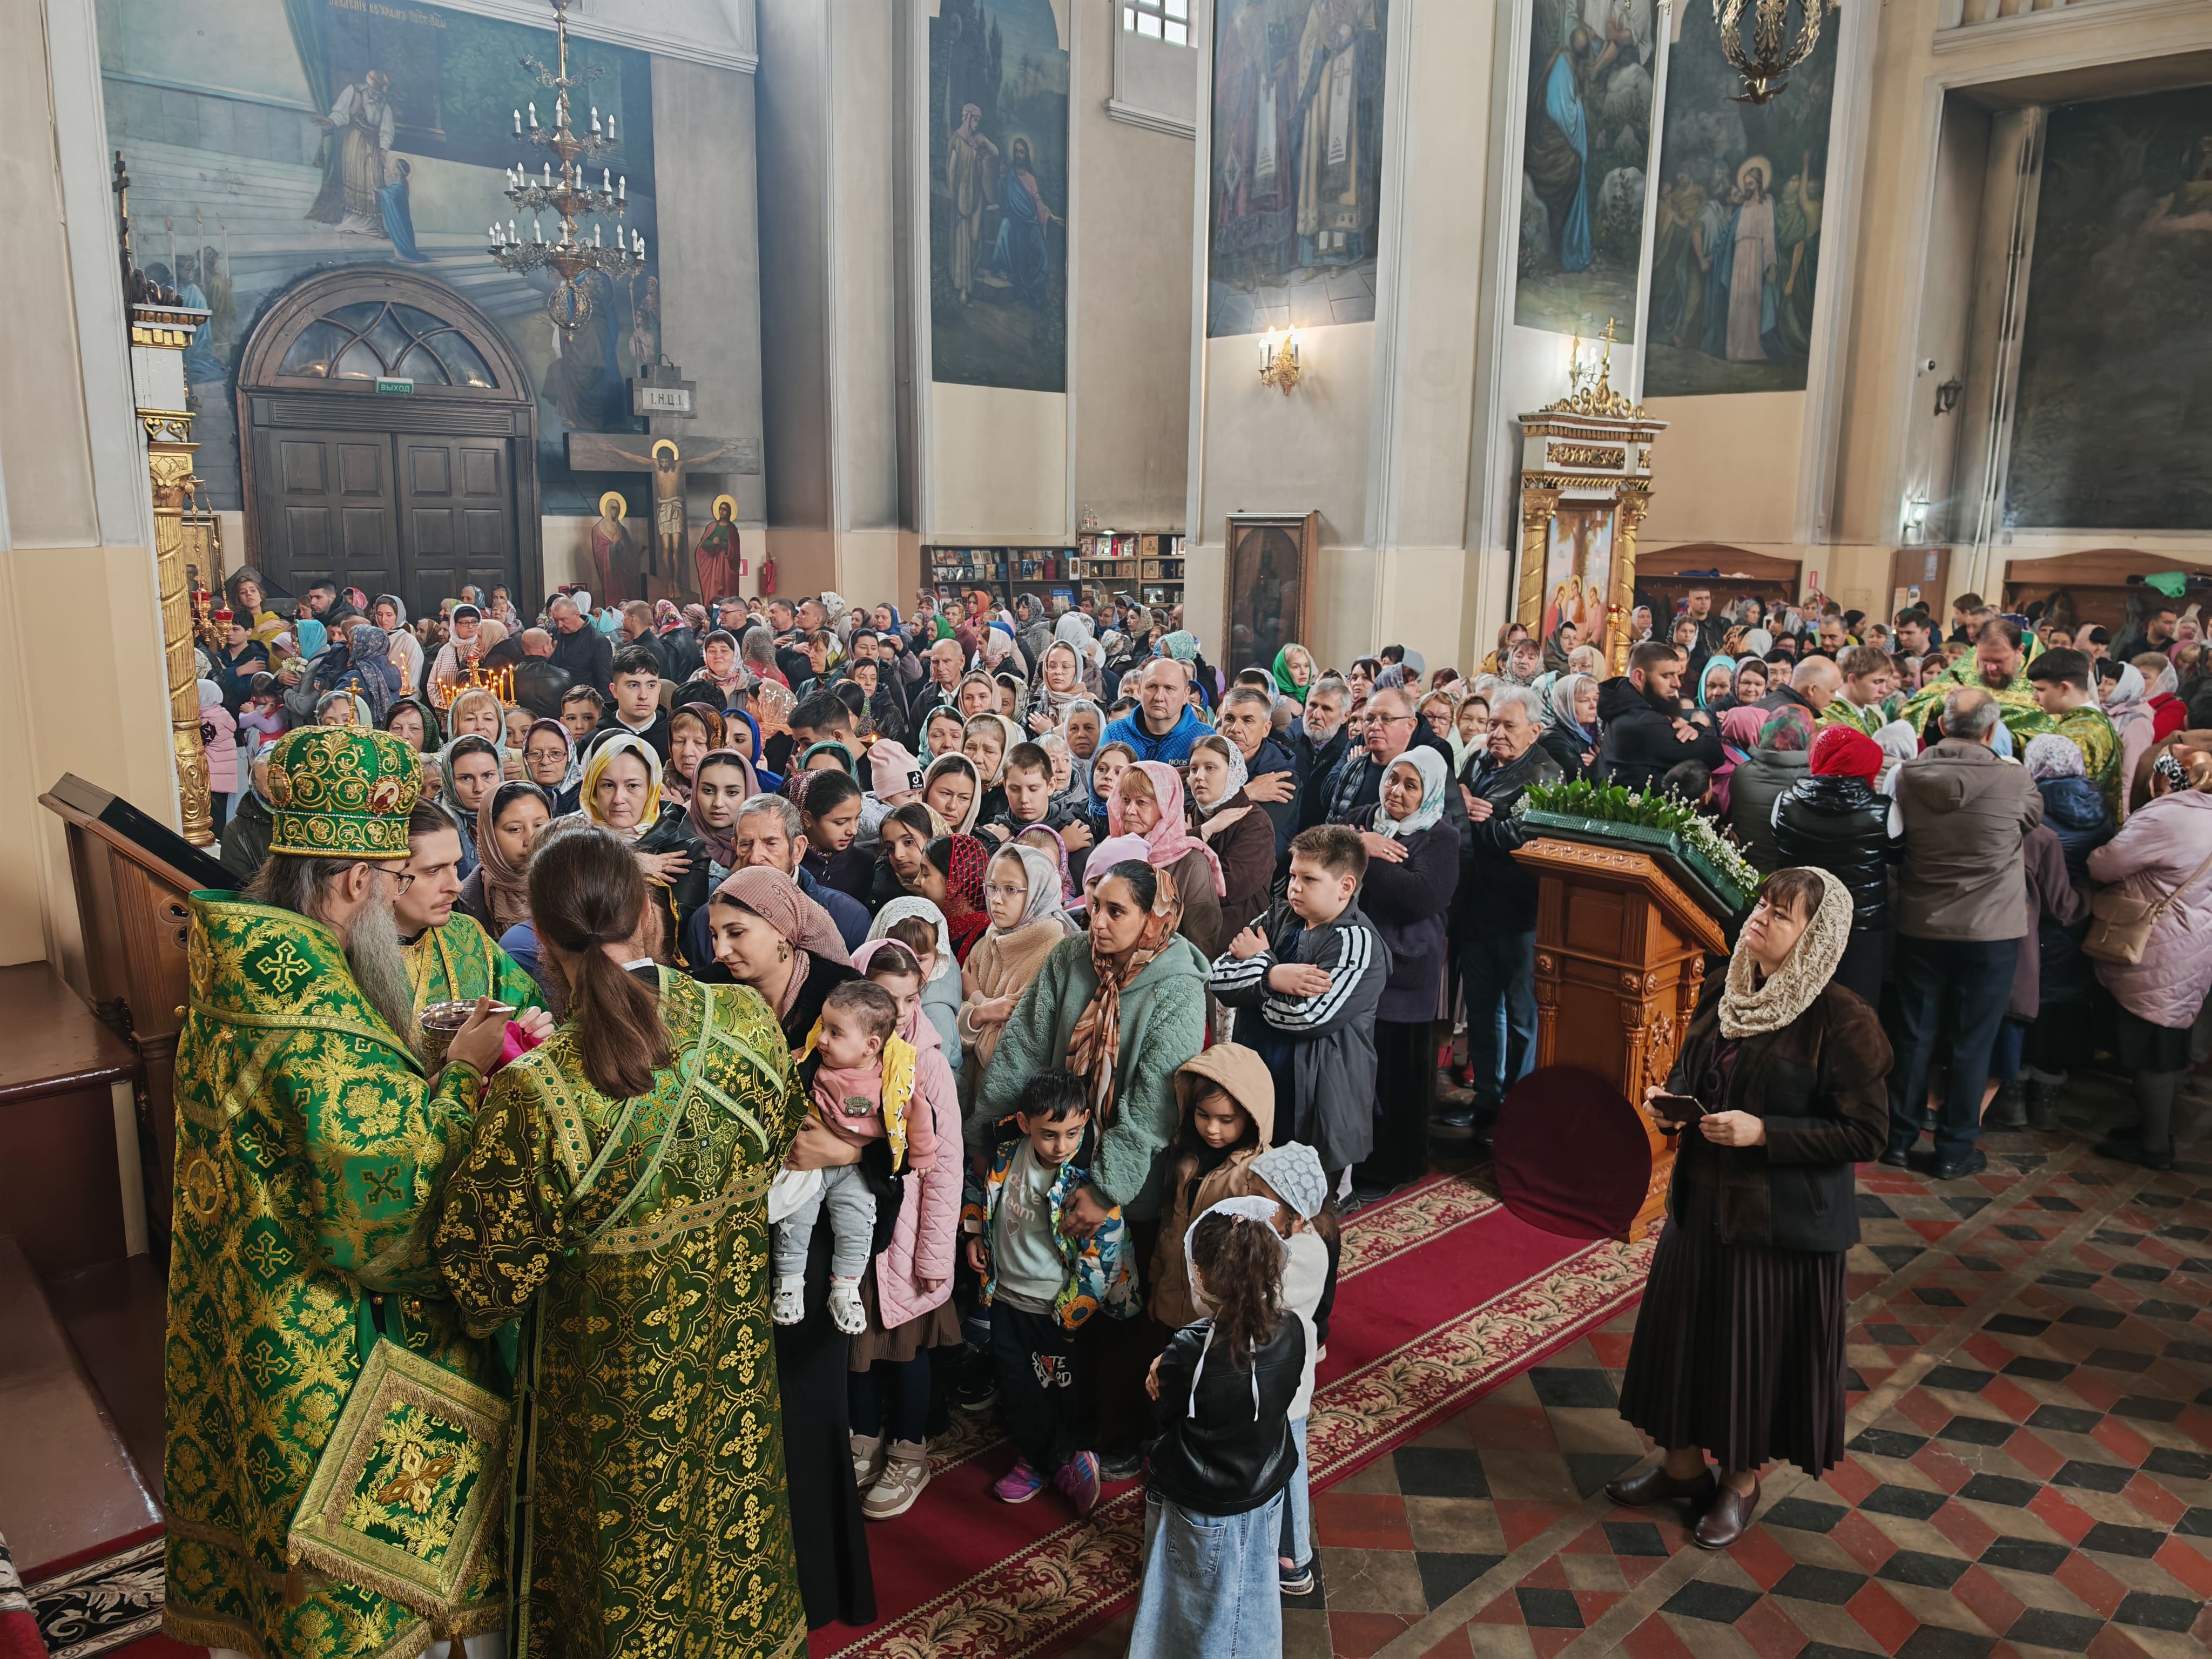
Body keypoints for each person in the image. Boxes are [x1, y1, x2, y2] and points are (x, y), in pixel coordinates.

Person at [163, 727, 515, 1659]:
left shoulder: (249, 965)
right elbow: (386, 1209)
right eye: (396, 873)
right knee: (353, 1583)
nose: (405, 891)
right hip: (325, 1334)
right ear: (357, 880)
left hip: (257, 1303)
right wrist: (464, 1074)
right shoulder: (310, 1015)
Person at [431, 828, 808, 1657]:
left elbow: (481, 1280)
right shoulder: (747, 1019)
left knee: (629, 1586)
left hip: (610, 1404)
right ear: (649, 913)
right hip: (731, 1364)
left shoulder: (539, 1090)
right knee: (731, 1546)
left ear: (541, 939)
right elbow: (778, 1145)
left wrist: (457, 1088)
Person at [1608, 868, 1890, 1549]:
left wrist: (1765, 1133)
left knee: (1749, 1359)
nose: (1758, 918)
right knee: (1680, 1345)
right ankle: (1681, 1469)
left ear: (1815, 938)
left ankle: (1738, 1483)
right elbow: (1693, 1070)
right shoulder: (1725, 988)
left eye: (1780, 915)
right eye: (1762, 905)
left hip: (1778, 1225)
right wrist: (1671, 1103)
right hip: (1701, 1205)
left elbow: (1867, 1134)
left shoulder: (1842, 1019)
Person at [698, 865, 876, 1628]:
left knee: (805, 1410)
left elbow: (908, 1115)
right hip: (734, 1232)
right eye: (715, 934)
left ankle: (817, 1587)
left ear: (783, 929)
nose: (723, 949)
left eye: (737, 932)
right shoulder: (710, 998)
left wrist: (858, 1151)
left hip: (820, 1239)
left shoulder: (842, 997)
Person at [1128, 1202, 1305, 1659]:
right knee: (1251, 1600)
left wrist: (1164, 1372)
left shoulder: (1189, 1347)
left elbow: (1168, 1415)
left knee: (1194, 1613)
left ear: (1203, 1275)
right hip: (1264, 1488)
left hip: (1203, 1499)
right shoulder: (1292, 1328)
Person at [1884, 687, 2042, 1179]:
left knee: (1913, 1035)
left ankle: (1898, 1141)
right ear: (1992, 730)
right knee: (1974, 1040)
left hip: (1922, 922)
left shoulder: (1908, 775)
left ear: (1941, 726)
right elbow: (2032, 821)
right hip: (1990, 930)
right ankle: (1954, 1151)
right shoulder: (2014, 779)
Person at [964, 1067, 1137, 1514]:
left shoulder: (1089, 1179)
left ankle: (1065, 1457)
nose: (1061, 1145)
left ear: (1085, 1122)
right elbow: (979, 1192)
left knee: (1058, 1388)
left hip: (1054, 1308)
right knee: (1017, 1383)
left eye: (1072, 1133)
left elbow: (1104, 1254)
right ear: (1025, 1124)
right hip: (1005, 1296)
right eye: (1049, 1134)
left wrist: (1070, 1314)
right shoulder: (1006, 1153)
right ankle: (1039, 1459)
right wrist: (974, 1234)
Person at [843, 938, 965, 1520]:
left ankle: (909, 1453)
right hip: (858, 1234)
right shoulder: (844, 1052)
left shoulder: (928, 1063)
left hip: (909, 1240)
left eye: (910, 1000)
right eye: (883, 999)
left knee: (907, 1350)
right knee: (859, 1347)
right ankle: (864, 1440)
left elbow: (945, 1167)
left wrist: (934, 1255)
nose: (898, 1014)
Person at [1210, 826, 1390, 1188]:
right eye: (1293, 875)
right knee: (1255, 1189)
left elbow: (1307, 1017)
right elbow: (1219, 979)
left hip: (1319, 1100)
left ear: (1345, 887)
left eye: (1309, 879)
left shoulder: (1357, 942)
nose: (1294, 887)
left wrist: (1260, 967)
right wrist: (1272, 977)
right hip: (1262, 1081)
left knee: (1310, 1203)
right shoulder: (1276, 917)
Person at [773, 979, 934, 1336]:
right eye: (824, 1028)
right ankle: (788, 1282)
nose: (823, 1039)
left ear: (870, 1046)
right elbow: (786, 1074)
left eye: (835, 1033)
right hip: (812, 1164)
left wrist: (924, 1155)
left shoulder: (892, 1077)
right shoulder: (814, 1061)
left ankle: (846, 1288)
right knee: (795, 1217)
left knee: (858, 1223)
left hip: (858, 1171)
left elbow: (918, 1114)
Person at [1341, 746, 1461, 1196]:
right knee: (1359, 1072)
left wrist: (1363, 854)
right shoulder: (1362, 818)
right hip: (1355, 963)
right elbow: (1316, 845)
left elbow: (1418, 897)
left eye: (1412, 786)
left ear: (1430, 792)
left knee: (1397, 1075)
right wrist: (1358, 841)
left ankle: (1393, 1167)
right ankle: (1355, 1160)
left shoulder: (1440, 837)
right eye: (1393, 779)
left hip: (1405, 971)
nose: (1397, 791)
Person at [2085, 750, 2212, 1171]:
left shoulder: (2167, 816)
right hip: (2196, 943)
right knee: (2171, 1039)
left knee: (2150, 1045)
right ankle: (2157, 1130)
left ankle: (2154, 1144)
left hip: (2155, 943)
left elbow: (2105, 865)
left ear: (2165, 779)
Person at [1448, 689, 1560, 1137]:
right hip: (1475, 907)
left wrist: (1473, 819)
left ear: (1535, 731)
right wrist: (1464, 806)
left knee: (1521, 1017)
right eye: (1492, 723)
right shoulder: (1478, 761)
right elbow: (1452, 804)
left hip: (1519, 915)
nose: (1495, 733)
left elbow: (1519, 840)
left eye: (1508, 726)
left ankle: (1519, 1110)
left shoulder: (1546, 773)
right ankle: (1487, 1101)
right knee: (1481, 1011)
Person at [1150, 1044, 1274, 1333]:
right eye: (1203, 1115)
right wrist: (1156, 1286)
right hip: (1171, 1301)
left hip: (1218, 1320)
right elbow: (1169, 1227)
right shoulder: (1185, 1158)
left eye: (1226, 1120)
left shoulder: (1256, 1178)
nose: (1212, 1129)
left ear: (1252, 1116)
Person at [1771, 725, 1893, 1007]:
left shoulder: (1786, 800)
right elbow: (1896, 853)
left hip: (1799, 917)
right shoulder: (1883, 810)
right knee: (1855, 1010)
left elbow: (1780, 841)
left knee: (1798, 1006)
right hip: (1860, 926)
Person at [957, 843, 1071, 1087]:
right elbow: (950, 1035)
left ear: (1038, 893)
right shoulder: (986, 943)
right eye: (992, 887)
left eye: (1010, 889)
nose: (997, 900)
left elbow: (1010, 1058)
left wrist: (977, 1002)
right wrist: (983, 1013)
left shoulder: (1053, 956)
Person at [1107, 760, 1226, 957]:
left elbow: (1201, 944)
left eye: (1142, 802)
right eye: (1126, 800)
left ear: (1166, 808)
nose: (1130, 811)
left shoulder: (1191, 863)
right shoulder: (1111, 851)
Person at [1188, 733, 1278, 942]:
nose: (1199, 777)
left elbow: (1226, 887)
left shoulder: (1255, 822)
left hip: (1233, 937)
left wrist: (1188, 838)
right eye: (1194, 769)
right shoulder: (1188, 812)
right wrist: (1203, 831)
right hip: (1186, 931)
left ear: (1233, 773)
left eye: (1210, 768)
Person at [1598, 643, 1724, 791]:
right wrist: (1696, 728)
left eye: (1678, 676)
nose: (1677, 684)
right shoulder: (1641, 723)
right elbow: (1715, 754)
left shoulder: (1624, 706)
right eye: (1666, 676)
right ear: (1639, 677)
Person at [1727, 709, 1813, 875]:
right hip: (1786, 878)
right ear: (1804, 737)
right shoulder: (1812, 781)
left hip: (1743, 868)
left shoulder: (1742, 773)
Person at [1103, 657, 1212, 763]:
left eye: (1169, 689)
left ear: (1185, 695)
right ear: (1140, 690)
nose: (1159, 697)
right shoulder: (1116, 733)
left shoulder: (1203, 737)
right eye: (1152, 687)